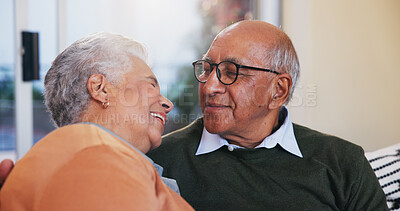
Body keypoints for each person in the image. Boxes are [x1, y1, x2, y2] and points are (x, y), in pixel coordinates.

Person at [146, 20, 389, 210]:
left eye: (231, 72)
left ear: (278, 91)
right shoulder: (158, 161)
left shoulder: (344, 163)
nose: (210, 87)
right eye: (207, 69)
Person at [0, 32, 193, 210]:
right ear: (101, 88)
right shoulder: (99, 158)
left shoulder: (85, 157)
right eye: (151, 84)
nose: (167, 104)